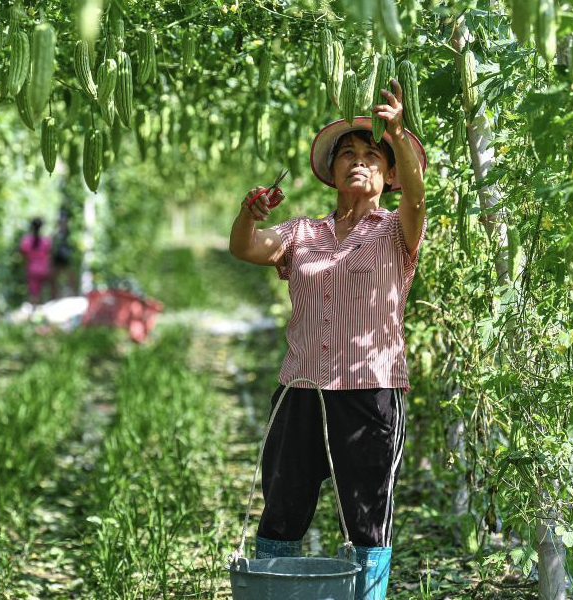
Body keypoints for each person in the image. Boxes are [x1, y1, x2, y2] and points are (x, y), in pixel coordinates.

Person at [229, 78, 427, 600]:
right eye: (347, 154)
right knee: (282, 512)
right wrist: (249, 215)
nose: (358, 161)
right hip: (301, 390)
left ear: (389, 175)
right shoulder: (303, 233)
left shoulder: (394, 231)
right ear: (332, 172)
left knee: (365, 520)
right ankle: (273, 592)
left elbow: (420, 196)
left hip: (369, 393)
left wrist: (400, 135)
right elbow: (248, 248)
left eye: (371, 156)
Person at [19, 217, 52, 304]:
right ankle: (39, 310)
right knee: (42, 292)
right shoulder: (46, 241)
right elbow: (48, 253)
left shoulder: (26, 240)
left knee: (33, 292)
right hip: (44, 269)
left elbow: (23, 253)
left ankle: (34, 310)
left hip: (32, 269)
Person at [50, 207, 77, 299]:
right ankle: (54, 298)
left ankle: (72, 295)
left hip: (68, 258)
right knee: (54, 278)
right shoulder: (55, 234)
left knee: (71, 276)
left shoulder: (71, 234)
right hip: (57, 258)